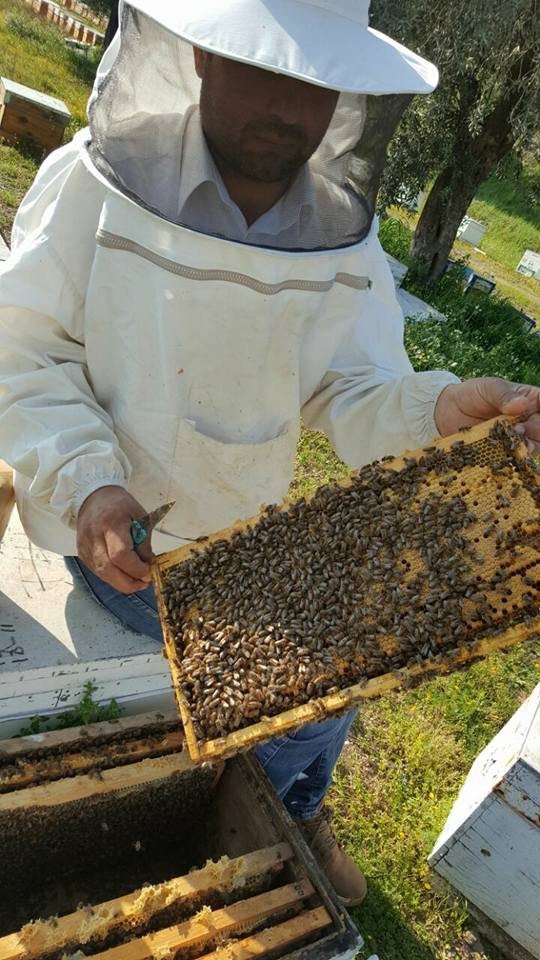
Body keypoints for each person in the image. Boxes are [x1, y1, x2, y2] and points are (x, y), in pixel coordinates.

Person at [0, 0, 538, 908]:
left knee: (347, 654)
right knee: (297, 678)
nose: (290, 106)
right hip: (122, 549)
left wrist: (439, 407)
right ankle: (286, 805)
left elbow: (351, 384)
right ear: (202, 55)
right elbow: (24, 354)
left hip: (248, 537)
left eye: (317, 79)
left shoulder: (342, 226)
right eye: (263, 65)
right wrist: (90, 486)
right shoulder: (95, 185)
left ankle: (295, 806)